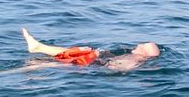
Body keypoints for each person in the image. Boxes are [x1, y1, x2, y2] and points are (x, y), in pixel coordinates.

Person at [21, 28, 160, 72]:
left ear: (144, 52)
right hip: (97, 61)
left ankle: (41, 61)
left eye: (142, 46)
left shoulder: (135, 61)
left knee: (73, 59)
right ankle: (38, 48)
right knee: (77, 51)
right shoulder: (131, 56)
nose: (139, 45)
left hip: (94, 65)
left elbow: (116, 69)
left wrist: (97, 58)